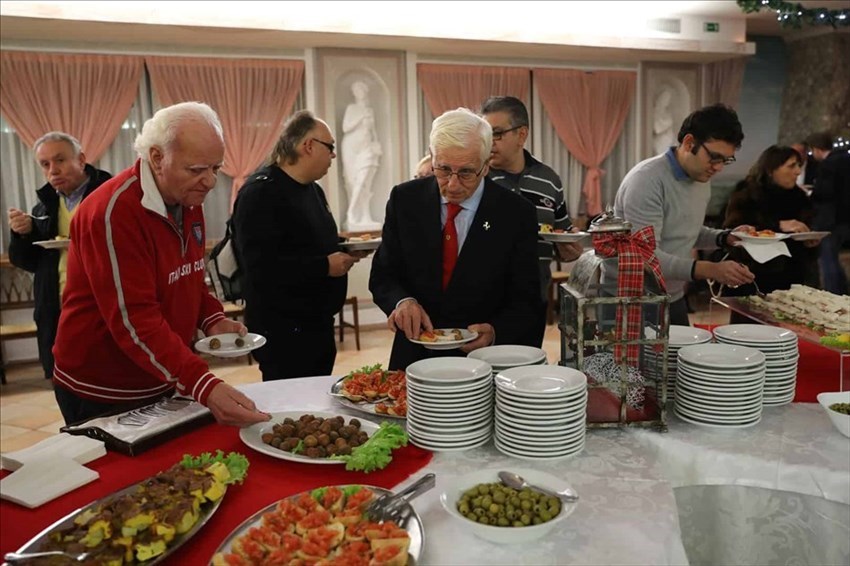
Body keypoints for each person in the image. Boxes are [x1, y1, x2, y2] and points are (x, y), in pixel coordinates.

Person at [51, 102, 269, 428]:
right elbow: (134, 320)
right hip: (103, 387)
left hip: (160, 372)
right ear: (156, 158)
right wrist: (202, 384)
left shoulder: (187, 196)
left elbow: (191, 275)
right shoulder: (112, 212)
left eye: (215, 168)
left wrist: (212, 319)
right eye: (197, 170)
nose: (210, 181)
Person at [369, 107, 541, 370]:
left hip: (484, 363)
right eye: (443, 169)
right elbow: (383, 274)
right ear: (432, 157)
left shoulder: (516, 214)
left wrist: (495, 331)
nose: (452, 184)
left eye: (466, 173)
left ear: (485, 166)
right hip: (414, 357)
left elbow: (527, 301)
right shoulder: (405, 200)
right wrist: (402, 302)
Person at [232, 110, 365, 381]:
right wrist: (325, 266)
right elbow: (261, 267)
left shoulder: (313, 190)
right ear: (308, 145)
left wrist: (346, 248)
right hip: (283, 330)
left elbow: (311, 241)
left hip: (317, 323)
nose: (334, 155)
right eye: (330, 147)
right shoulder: (261, 192)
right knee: (291, 409)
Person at [608, 103, 755, 326]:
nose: (718, 168)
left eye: (726, 160)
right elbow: (645, 257)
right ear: (689, 143)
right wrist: (710, 270)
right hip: (630, 298)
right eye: (714, 157)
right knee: (633, 362)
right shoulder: (647, 180)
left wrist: (724, 238)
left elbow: (686, 231)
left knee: (679, 359)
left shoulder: (700, 178)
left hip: (672, 294)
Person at [7, 132, 111, 380]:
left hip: (104, 307)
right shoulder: (42, 209)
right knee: (65, 383)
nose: (53, 170)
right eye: (45, 164)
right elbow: (29, 262)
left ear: (81, 159)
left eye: (60, 160)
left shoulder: (111, 195)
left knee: (109, 379)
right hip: (58, 309)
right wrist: (22, 234)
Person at [480, 96, 582, 346]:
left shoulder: (549, 180)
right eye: (484, 134)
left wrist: (571, 248)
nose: (489, 143)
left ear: (522, 134)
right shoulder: (477, 179)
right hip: (484, 301)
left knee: (525, 373)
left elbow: (560, 231)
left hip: (533, 298)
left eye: (497, 134)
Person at [722, 145, 821, 298]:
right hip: (754, 277)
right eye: (791, 166)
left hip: (793, 278)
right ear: (770, 170)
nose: (798, 172)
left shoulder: (799, 197)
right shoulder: (748, 195)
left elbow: (807, 227)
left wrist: (810, 241)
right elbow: (733, 233)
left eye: (799, 166)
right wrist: (777, 226)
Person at [806, 132, 850, 295]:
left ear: (816, 149)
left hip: (830, 219)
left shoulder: (828, 164)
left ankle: (834, 293)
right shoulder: (846, 158)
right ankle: (844, 292)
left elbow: (824, 192)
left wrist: (811, 193)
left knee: (828, 259)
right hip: (846, 217)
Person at [341, 80, 382, 231]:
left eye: (361, 89)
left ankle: (359, 214)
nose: (359, 92)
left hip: (367, 147)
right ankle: (355, 215)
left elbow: (373, 131)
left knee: (365, 180)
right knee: (353, 181)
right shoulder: (352, 108)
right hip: (351, 147)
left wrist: (377, 144)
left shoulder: (370, 110)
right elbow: (346, 127)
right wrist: (360, 117)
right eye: (356, 90)